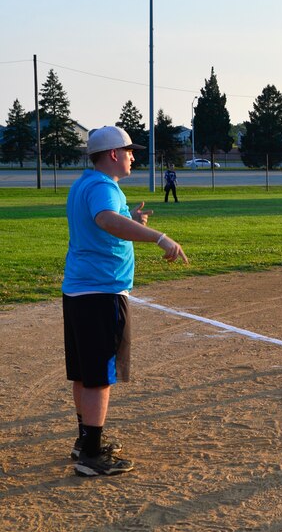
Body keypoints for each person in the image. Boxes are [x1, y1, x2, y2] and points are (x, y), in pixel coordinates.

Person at [63, 126, 188, 476]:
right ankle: (91, 455)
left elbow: (101, 221)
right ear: (114, 155)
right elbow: (104, 219)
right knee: (99, 377)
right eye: (129, 151)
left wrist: (130, 219)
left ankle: (84, 441)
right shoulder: (103, 187)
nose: (134, 156)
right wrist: (158, 238)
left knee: (84, 373)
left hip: (79, 291)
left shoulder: (85, 183)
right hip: (101, 292)